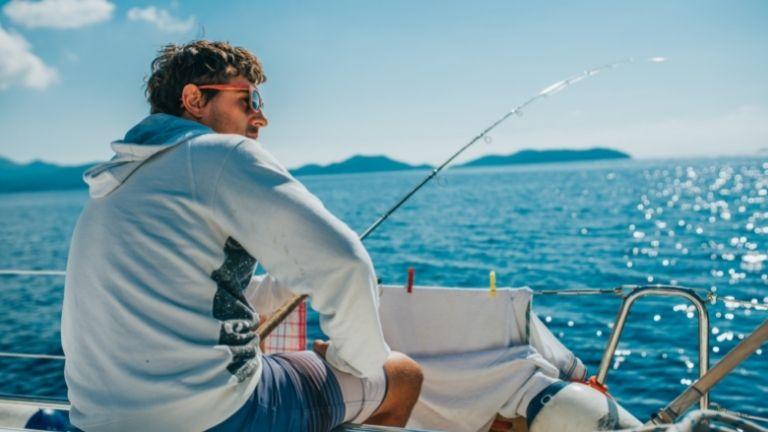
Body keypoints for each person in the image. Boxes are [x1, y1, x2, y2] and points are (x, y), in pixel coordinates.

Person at [61, 40, 422, 432]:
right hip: (211, 419)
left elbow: (178, 287)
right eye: (249, 99)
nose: (261, 116)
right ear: (194, 99)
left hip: (93, 422)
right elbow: (345, 264)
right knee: (401, 375)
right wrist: (356, 362)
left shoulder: (112, 185)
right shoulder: (218, 153)